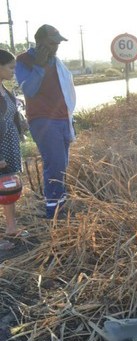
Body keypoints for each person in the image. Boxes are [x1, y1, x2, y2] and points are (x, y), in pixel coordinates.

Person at [15, 24, 76, 219]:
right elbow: (29, 90)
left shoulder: (56, 61)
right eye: (51, 43)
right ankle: (53, 212)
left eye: (57, 43)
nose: (55, 47)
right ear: (38, 41)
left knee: (62, 166)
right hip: (43, 120)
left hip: (62, 119)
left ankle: (60, 206)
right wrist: (39, 68)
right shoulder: (25, 60)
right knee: (55, 165)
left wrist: (69, 120)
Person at [0, 49, 28, 249]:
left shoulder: (2, 88)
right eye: (10, 67)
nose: (13, 71)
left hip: (8, 147)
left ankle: (11, 228)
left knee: (7, 189)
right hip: (1, 150)